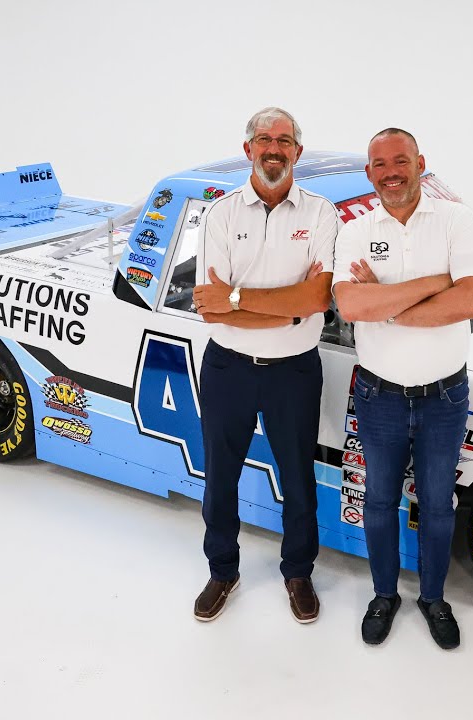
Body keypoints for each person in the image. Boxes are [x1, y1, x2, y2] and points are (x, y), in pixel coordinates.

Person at [331, 128, 473, 649]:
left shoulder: (456, 220)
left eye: (400, 161)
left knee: (438, 505)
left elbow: (470, 302)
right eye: (380, 165)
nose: (391, 173)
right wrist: (434, 283)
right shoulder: (355, 231)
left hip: (445, 397)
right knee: (378, 500)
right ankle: (384, 595)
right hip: (379, 396)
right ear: (369, 173)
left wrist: (385, 301)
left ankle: (433, 598)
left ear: (420, 163)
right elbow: (351, 306)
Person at [190, 107, 339, 624]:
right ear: (248, 148)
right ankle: (222, 571)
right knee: (220, 478)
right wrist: (287, 309)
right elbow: (210, 309)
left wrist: (237, 299)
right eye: (263, 139)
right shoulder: (221, 214)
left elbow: (318, 298)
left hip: (293, 372)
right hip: (227, 368)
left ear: (297, 151)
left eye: (283, 140)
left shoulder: (321, 214)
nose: (273, 148)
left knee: (298, 480)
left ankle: (298, 572)